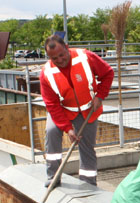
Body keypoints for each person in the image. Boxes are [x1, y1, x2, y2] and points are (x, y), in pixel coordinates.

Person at [40, 34, 114, 187]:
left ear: (67, 48)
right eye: (55, 58)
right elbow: (52, 105)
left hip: (88, 110)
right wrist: (68, 129)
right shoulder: (46, 74)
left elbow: (107, 73)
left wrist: (100, 96)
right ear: (49, 57)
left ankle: (88, 182)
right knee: (52, 132)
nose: (60, 60)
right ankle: (53, 176)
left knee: (87, 146)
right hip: (63, 109)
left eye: (62, 55)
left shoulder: (85, 57)